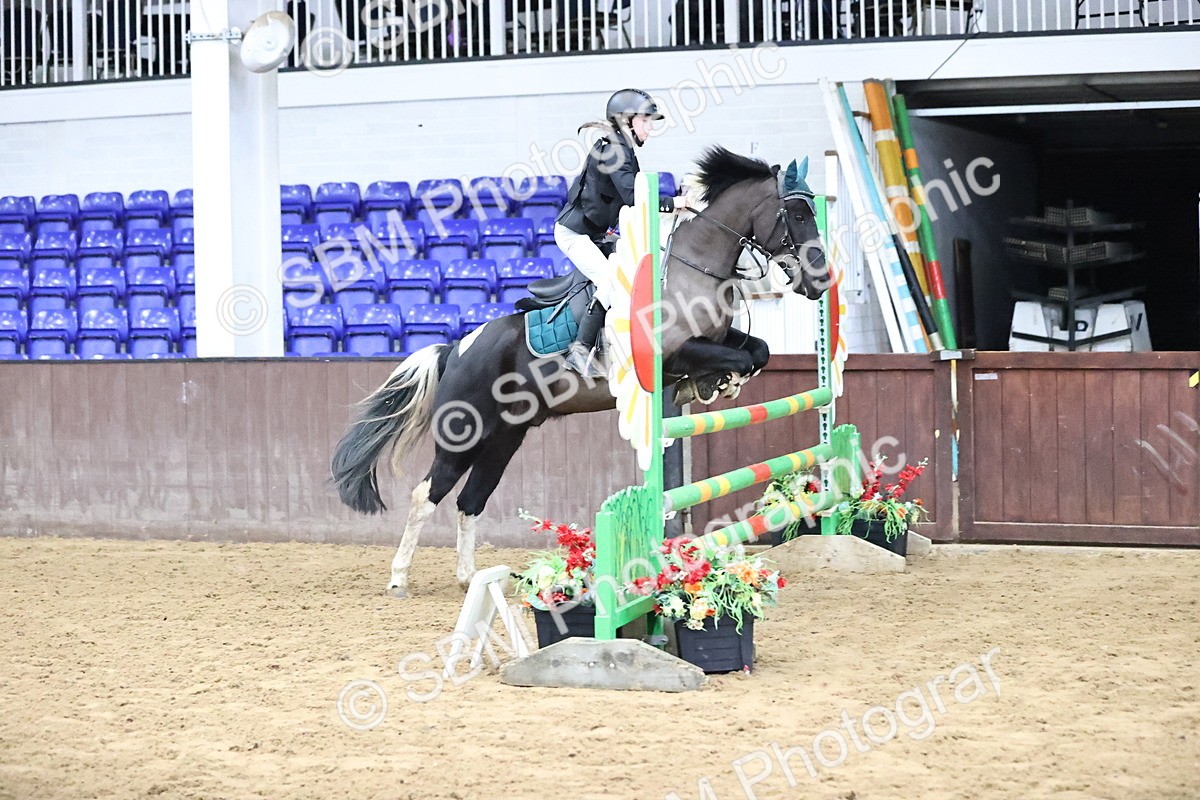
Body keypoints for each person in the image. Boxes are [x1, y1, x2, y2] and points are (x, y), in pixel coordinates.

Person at [554, 88, 691, 378]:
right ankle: (579, 350)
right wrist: (673, 203)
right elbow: (633, 196)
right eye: (645, 121)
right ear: (626, 120)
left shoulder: (623, 149)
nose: (650, 128)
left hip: (595, 233)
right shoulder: (613, 151)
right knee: (611, 281)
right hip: (574, 234)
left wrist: (670, 209)